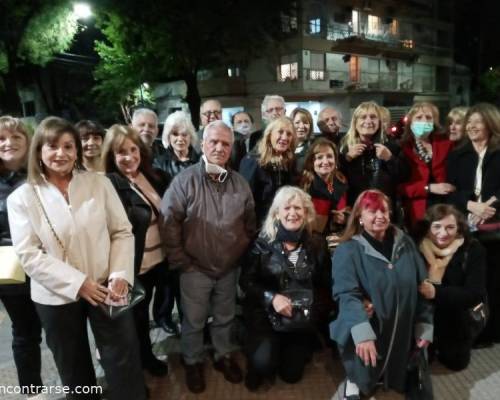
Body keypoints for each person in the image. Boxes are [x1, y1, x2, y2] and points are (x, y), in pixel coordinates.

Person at [7, 116, 146, 400]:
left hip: (107, 285)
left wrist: (120, 274)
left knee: (123, 360)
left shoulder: (99, 183)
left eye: (69, 146)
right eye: (53, 146)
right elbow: (28, 254)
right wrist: (79, 283)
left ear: (77, 151)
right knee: (74, 369)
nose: (61, 153)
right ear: (39, 152)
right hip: (54, 296)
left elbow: (122, 231)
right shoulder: (22, 198)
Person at [160, 120, 256, 394]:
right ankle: (192, 361)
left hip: (228, 268)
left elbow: (249, 223)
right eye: (213, 142)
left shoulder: (239, 183)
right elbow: (168, 223)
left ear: (232, 149)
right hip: (194, 269)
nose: (219, 147)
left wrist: (237, 253)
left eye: (225, 143)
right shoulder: (184, 181)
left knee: (225, 317)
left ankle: (222, 356)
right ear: (202, 144)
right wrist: (182, 261)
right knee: (193, 320)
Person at [330, 190, 433, 399]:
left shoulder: (407, 244)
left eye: (384, 211)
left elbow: (423, 289)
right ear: (359, 216)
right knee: (362, 374)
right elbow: (346, 295)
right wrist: (362, 334)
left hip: (402, 329)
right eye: (372, 211)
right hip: (366, 324)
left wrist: (424, 324)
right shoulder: (347, 250)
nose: (380, 216)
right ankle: (353, 379)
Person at [240, 186, 331, 391]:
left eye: (298, 208)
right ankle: (256, 347)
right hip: (266, 313)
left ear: (306, 213)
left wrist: (313, 310)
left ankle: (283, 347)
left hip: (299, 317)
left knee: (291, 375)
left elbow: (324, 284)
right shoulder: (262, 242)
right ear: (277, 213)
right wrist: (272, 297)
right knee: (263, 364)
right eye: (287, 208)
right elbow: (246, 281)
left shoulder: (317, 243)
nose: (293, 213)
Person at [101, 124, 170, 377]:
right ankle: (140, 363)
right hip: (132, 267)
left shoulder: (152, 175)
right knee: (134, 321)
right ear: (111, 155)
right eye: (121, 152)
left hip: (158, 260)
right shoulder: (107, 184)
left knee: (147, 312)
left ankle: (145, 356)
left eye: (133, 149)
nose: (129, 157)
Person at [447, 102, 500, 345]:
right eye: (470, 122)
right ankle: (473, 330)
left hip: (495, 228)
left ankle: (492, 332)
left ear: (491, 124)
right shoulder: (458, 154)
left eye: (477, 121)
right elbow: (449, 191)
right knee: (472, 283)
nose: (471, 126)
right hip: (466, 228)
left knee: (495, 281)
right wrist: (471, 205)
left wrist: (490, 207)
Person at [0, 116, 43, 395]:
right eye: (2, 138)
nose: (8, 143)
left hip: (46, 260)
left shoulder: (41, 173)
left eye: (16, 137)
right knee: (25, 332)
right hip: (8, 264)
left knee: (62, 329)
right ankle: (32, 391)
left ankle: (79, 385)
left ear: (28, 142)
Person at [417, 204, 486, 370]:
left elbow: (475, 294)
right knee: (421, 361)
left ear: (459, 229)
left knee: (456, 363)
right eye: (437, 227)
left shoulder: (473, 249)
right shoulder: (416, 248)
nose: (443, 233)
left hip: (456, 315)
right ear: (427, 228)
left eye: (450, 227)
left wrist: (436, 293)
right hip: (422, 314)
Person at [153, 110, 200, 334]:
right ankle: (168, 318)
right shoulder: (159, 164)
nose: (180, 139)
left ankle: (191, 321)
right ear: (167, 137)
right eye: (174, 135)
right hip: (170, 229)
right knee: (171, 278)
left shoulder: (201, 161)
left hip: (195, 229)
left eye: (184, 134)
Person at [339, 101, 404, 211]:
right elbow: (334, 182)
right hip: (355, 209)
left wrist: (390, 159)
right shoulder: (343, 147)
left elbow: (404, 177)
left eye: (373, 117)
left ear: (379, 122)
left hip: (384, 209)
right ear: (355, 122)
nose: (368, 121)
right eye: (363, 117)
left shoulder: (392, 146)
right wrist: (347, 158)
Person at [399, 102, 454, 228]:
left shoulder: (446, 144)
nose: (424, 121)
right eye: (419, 117)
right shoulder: (402, 148)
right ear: (410, 122)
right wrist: (428, 188)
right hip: (418, 211)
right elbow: (399, 187)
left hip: (446, 207)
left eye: (429, 118)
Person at [239, 116, 297, 225]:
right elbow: (245, 201)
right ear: (269, 134)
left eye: (289, 134)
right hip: (259, 226)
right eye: (280, 132)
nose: (284, 138)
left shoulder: (289, 162)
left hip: (282, 222)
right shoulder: (252, 161)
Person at [299, 138, 348, 235]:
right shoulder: (304, 184)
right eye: (319, 157)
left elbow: (346, 209)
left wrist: (344, 218)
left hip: (337, 236)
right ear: (312, 162)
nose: (325, 162)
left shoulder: (341, 180)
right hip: (311, 237)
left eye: (329, 156)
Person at [290, 107, 314, 174]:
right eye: (297, 122)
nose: (301, 126)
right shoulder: (284, 146)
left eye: (305, 123)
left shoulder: (314, 147)